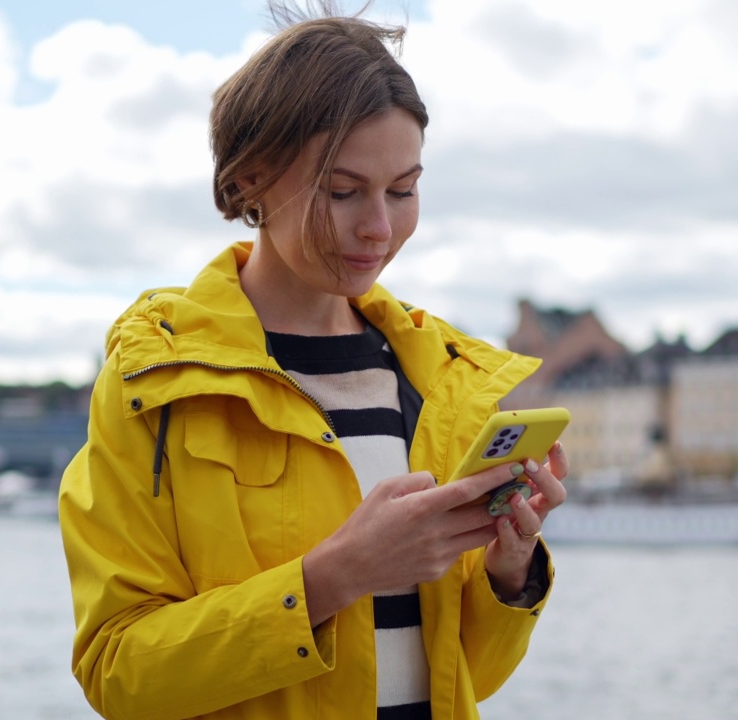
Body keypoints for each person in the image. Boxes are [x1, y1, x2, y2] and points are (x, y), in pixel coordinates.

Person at [57, 4, 568, 720]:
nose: (379, 228)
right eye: (342, 191)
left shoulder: (443, 383)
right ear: (248, 182)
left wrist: (509, 573)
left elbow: (466, 677)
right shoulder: (154, 383)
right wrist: (333, 577)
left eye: (403, 190)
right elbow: (118, 674)